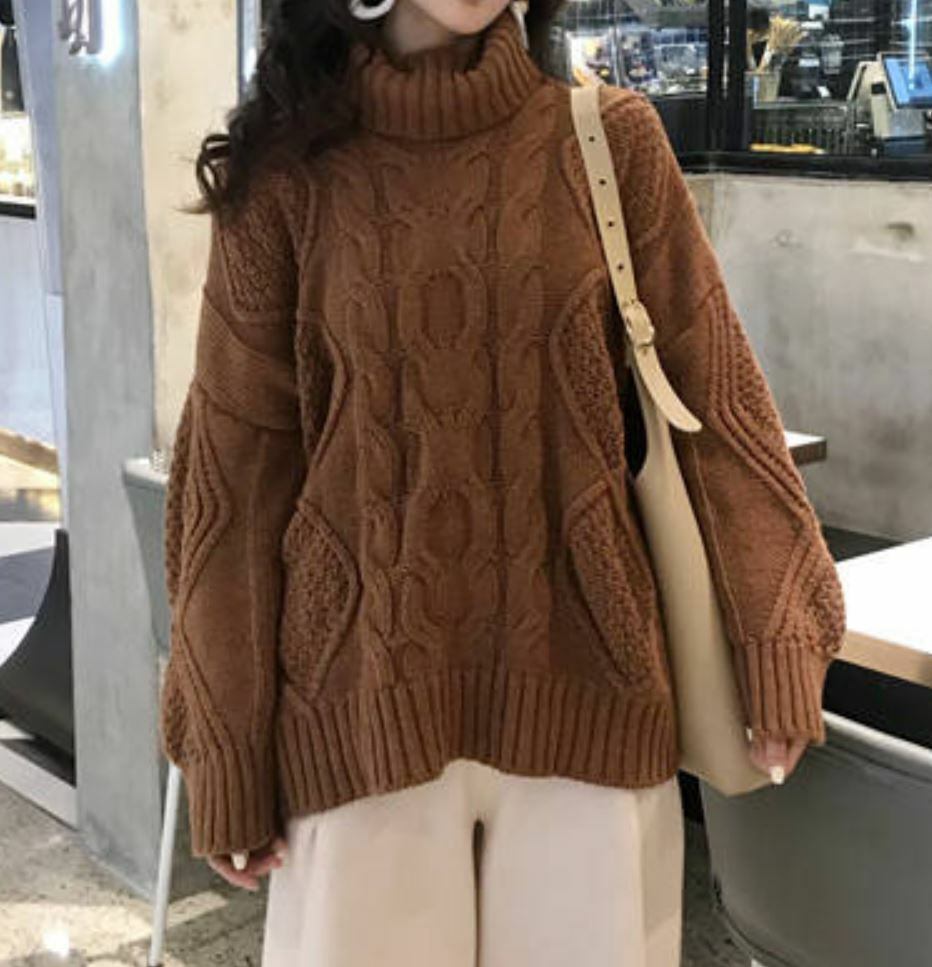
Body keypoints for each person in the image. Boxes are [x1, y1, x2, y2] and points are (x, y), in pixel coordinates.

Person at [158, 0, 847, 962]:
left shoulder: (608, 140)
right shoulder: (285, 173)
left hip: (593, 699)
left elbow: (716, 396)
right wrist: (227, 738)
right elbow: (235, 479)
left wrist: (777, 628)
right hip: (356, 720)